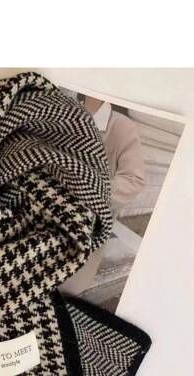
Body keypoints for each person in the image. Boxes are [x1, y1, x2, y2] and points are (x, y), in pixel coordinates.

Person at [59, 97, 146, 297]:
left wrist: (89, 194)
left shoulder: (121, 125)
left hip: (89, 224)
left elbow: (134, 179)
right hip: (50, 208)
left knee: (67, 285)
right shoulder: (67, 113)